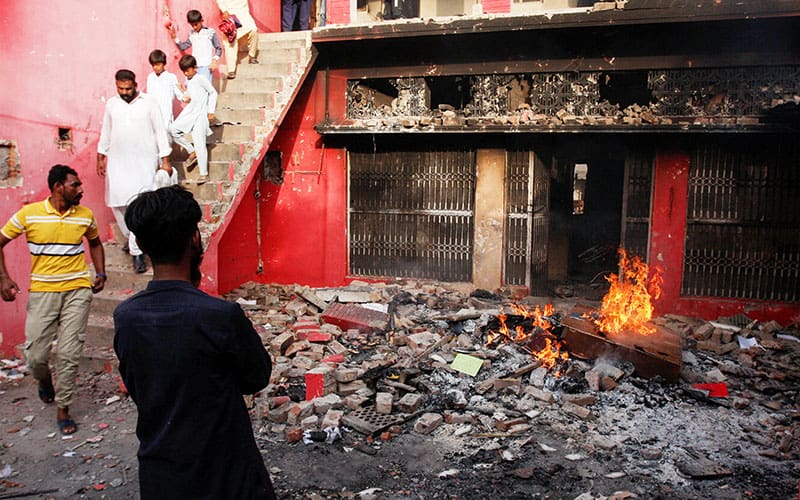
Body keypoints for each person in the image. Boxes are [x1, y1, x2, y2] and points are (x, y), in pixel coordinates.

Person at [113, 186, 275, 499]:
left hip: (161, 473)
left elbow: (138, 385)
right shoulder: (221, 316)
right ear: (194, 239)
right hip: (226, 473)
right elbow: (257, 377)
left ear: (143, 245)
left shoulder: (127, 317)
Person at [0, 165, 106, 436]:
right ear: (58, 186)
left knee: (69, 353)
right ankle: (44, 381)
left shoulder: (85, 215)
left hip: (78, 290)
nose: (81, 189)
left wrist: (101, 272)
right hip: (43, 292)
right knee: (35, 357)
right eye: (75, 185)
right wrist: (4, 279)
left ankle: (64, 408)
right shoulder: (29, 214)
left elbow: (94, 242)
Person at [97, 69, 172, 273]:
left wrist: (165, 159)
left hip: (144, 161)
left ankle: (137, 252)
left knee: (139, 205)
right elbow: (106, 130)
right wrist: (100, 156)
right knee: (118, 204)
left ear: (135, 85)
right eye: (121, 89)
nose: (125, 92)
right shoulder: (112, 104)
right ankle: (133, 237)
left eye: (128, 88)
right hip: (118, 161)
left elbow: (160, 131)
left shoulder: (149, 103)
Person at [171, 55, 218, 185]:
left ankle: (204, 174)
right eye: (184, 71)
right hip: (190, 113)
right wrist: (183, 92)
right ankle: (192, 151)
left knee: (199, 142)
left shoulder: (201, 79)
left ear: (194, 68)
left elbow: (213, 93)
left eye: (188, 70)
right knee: (173, 130)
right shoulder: (189, 81)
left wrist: (210, 111)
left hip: (201, 115)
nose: (186, 73)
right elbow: (190, 98)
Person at [170, 10, 222, 83]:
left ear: (201, 20)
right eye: (192, 25)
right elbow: (183, 47)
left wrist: (214, 60)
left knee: (204, 90)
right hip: (193, 67)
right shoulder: (192, 34)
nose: (194, 27)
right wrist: (175, 38)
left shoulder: (210, 32)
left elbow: (218, 48)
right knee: (190, 87)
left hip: (206, 66)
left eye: (196, 24)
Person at [216, 0, 259, 79]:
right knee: (230, 41)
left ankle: (252, 56)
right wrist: (224, 10)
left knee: (254, 30)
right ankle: (231, 70)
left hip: (244, 13)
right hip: (230, 14)